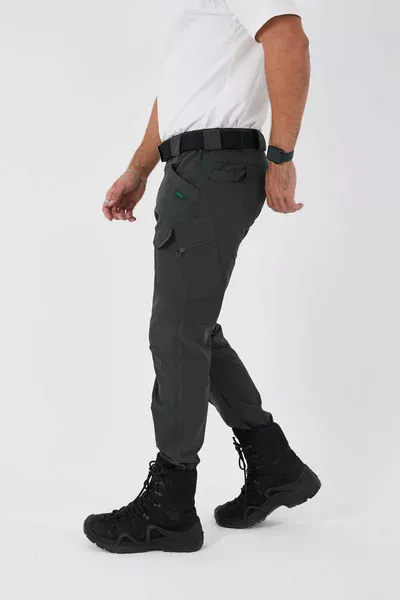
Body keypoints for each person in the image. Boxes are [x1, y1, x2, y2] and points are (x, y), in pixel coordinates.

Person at [84, 0, 320, 554]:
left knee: (176, 334)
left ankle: (170, 506)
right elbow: (180, 94)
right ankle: (273, 462)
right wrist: (140, 167)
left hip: (211, 169)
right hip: (192, 166)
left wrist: (283, 156)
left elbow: (289, 40)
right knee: (194, 330)